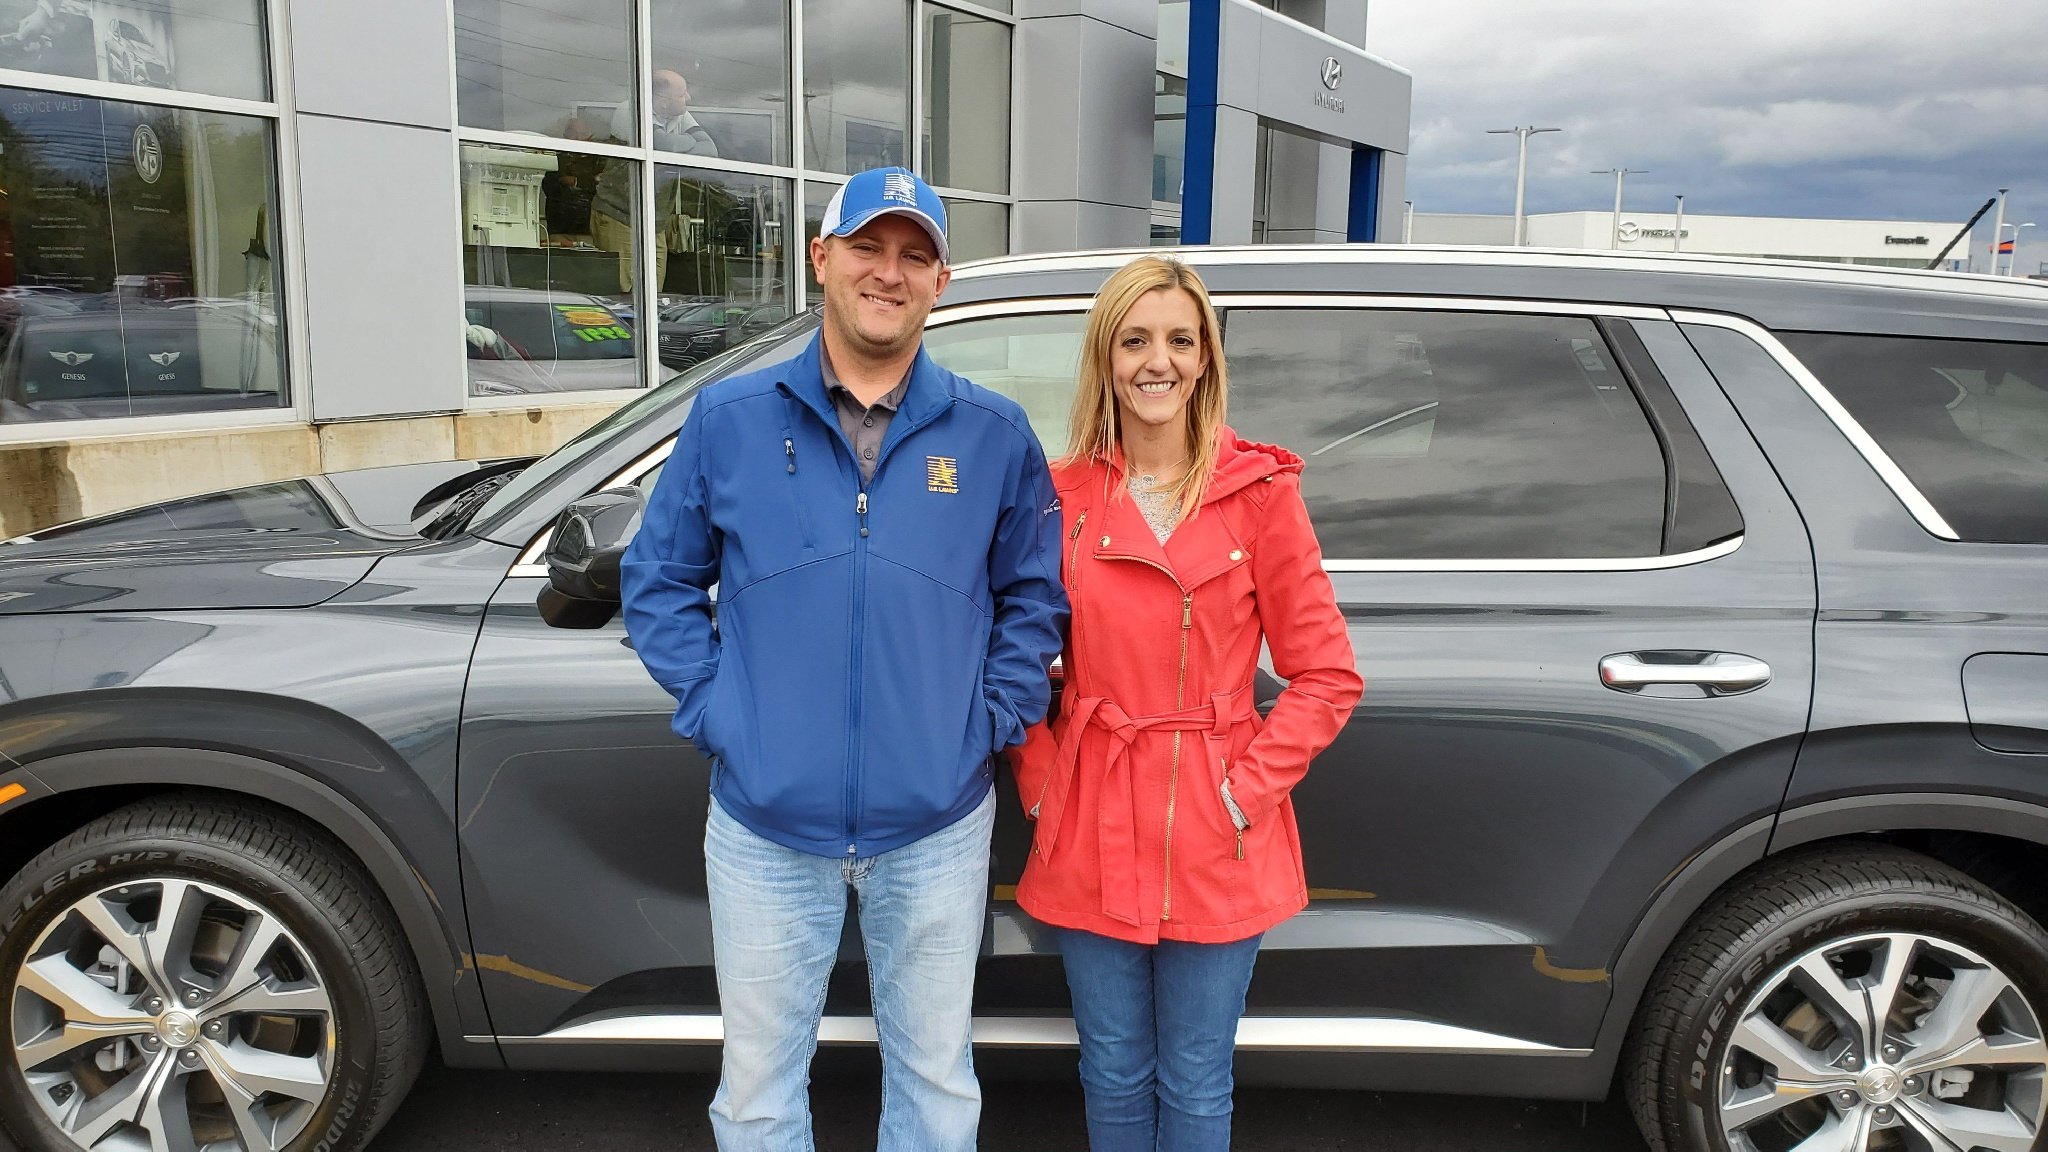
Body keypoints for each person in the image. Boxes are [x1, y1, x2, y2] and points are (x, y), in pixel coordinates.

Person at [619, 166, 1067, 1151]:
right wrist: (720, 712)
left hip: (937, 826)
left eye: (913, 255)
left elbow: (1034, 601)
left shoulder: (994, 436)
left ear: (941, 281)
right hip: (765, 828)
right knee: (756, 1096)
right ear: (821, 259)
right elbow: (656, 581)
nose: (888, 273)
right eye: (868, 247)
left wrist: (985, 723)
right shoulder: (728, 420)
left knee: (935, 1089)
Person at [1012, 255, 1364, 1150]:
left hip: (1215, 824)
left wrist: (1245, 791)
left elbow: (1326, 674)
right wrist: (1043, 780)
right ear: (1106, 357)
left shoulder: (1260, 496)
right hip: (1091, 814)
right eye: (1134, 341)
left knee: (1197, 1077)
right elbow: (1010, 654)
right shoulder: (1059, 496)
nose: (1156, 361)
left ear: (1205, 358)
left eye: (1178, 340)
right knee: (1112, 1068)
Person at [591, 68, 718, 293]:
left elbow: (710, 151)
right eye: (682, 94)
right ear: (662, 101)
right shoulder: (630, 110)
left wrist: (675, 145)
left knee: (653, 294)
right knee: (624, 292)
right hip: (620, 216)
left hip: (655, 222)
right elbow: (662, 145)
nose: (688, 98)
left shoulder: (680, 114)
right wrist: (685, 143)